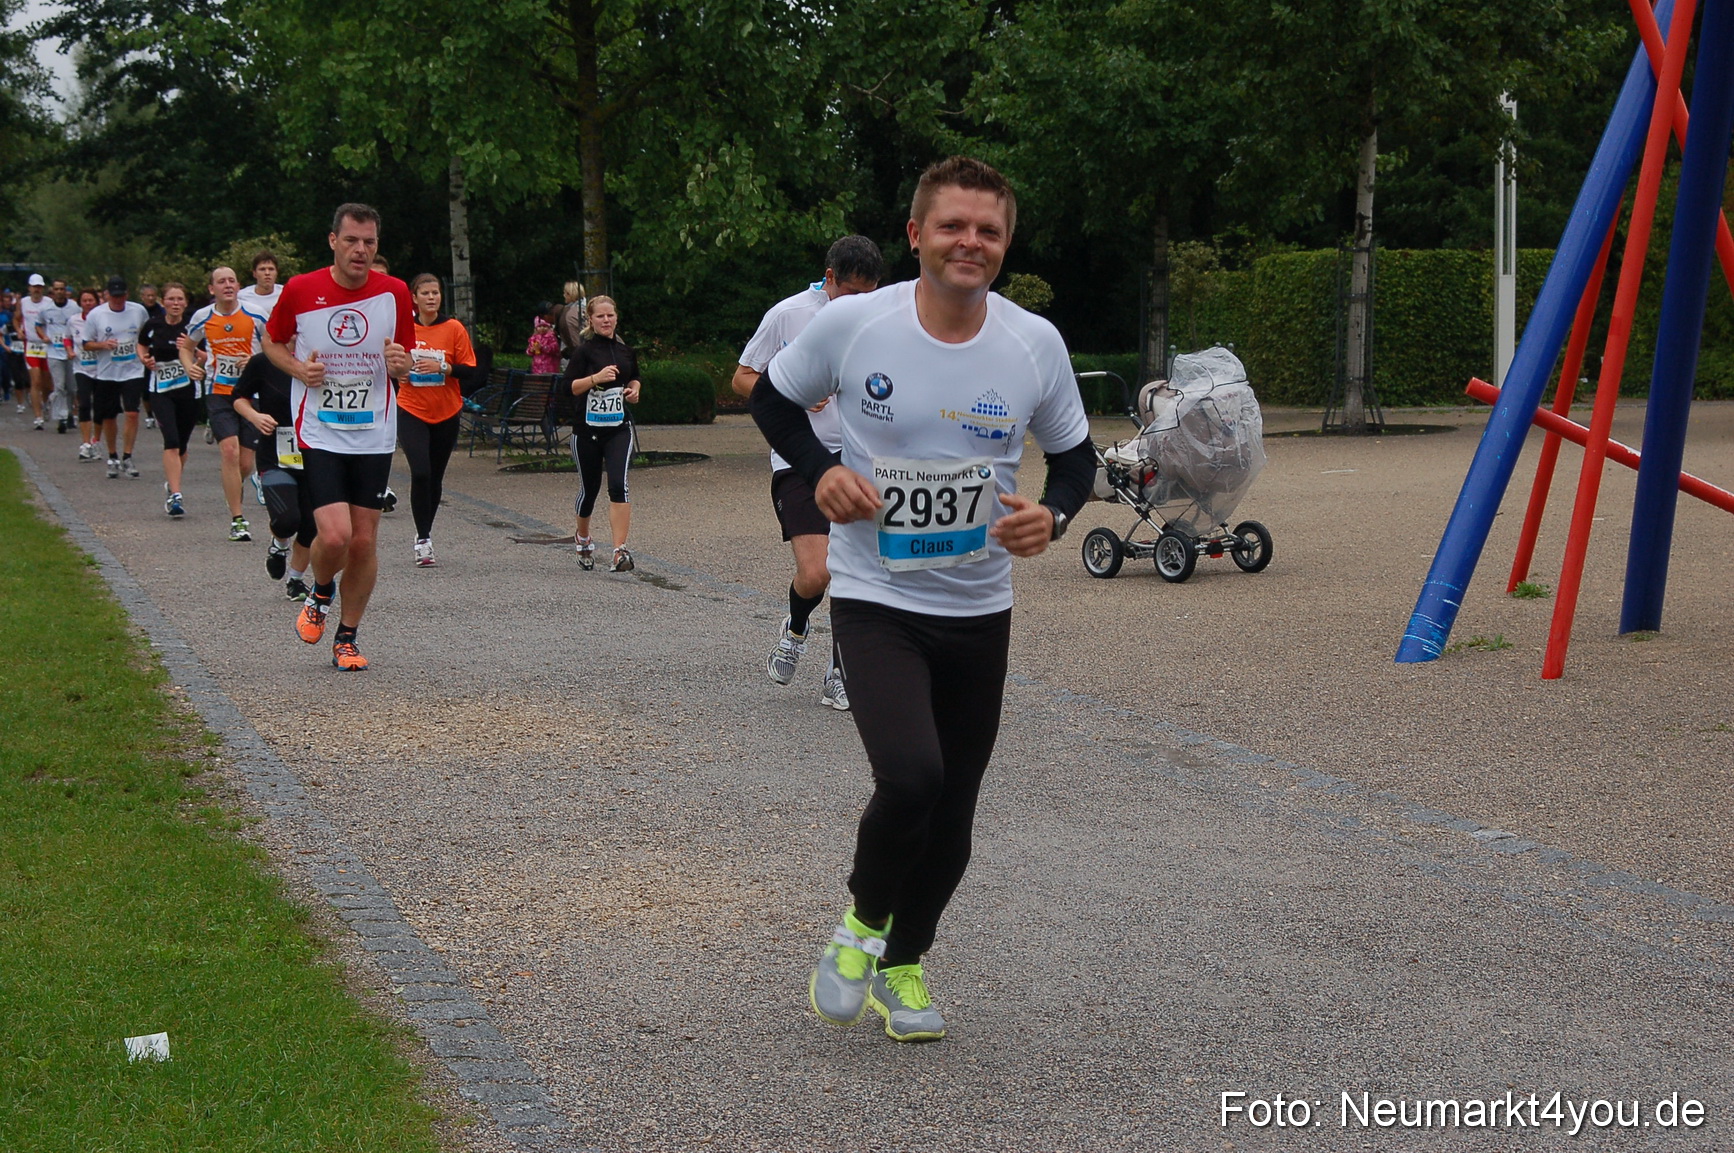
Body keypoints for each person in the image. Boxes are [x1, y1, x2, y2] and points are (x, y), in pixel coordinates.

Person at [751, 157, 1095, 1042]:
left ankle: (904, 965)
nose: (969, 242)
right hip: (876, 592)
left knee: (956, 806)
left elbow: (1075, 458)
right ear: (917, 235)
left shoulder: (1033, 343)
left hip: (980, 604)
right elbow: (776, 403)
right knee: (913, 774)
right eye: (952, 225)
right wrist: (824, 472)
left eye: (987, 229)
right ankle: (860, 927)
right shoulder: (858, 324)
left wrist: (1051, 515)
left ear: (1005, 243)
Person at [732, 236, 884, 711]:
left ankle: (840, 672)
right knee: (816, 573)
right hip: (799, 460)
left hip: (860, 461)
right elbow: (741, 378)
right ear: (830, 278)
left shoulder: (884, 321)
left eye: (870, 294)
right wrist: (791, 394)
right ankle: (796, 628)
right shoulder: (789, 315)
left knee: (853, 572)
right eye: (851, 294)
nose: (860, 304)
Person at [263, 202, 414, 672]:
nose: (361, 250)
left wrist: (401, 366)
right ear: (333, 241)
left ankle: (346, 637)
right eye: (351, 240)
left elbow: (404, 357)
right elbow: (272, 340)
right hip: (320, 429)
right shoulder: (302, 289)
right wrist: (296, 368)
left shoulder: (395, 292)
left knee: (364, 542)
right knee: (333, 535)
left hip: (374, 431)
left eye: (369, 242)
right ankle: (321, 589)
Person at [183, 266, 268, 541]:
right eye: (221, 282)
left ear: (238, 285)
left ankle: (233, 489)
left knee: (245, 463)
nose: (227, 285)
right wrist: (189, 366)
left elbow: (275, 347)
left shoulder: (255, 314)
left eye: (232, 281)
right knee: (229, 453)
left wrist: (255, 362)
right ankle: (238, 519)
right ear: (212, 289)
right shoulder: (202, 317)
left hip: (251, 394)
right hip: (218, 392)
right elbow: (186, 346)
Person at [402, 273, 480, 566]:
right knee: (420, 472)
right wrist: (397, 370)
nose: (432, 298)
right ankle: (423, 539)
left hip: (446, 410)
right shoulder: (404, 328)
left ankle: (426, 530)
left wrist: (443, 366)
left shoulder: (453, 328)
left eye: (435, 293)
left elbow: (471, 370)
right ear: (414, 297)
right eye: (425, 293)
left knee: (434, 477)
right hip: (411, 408)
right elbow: (390, 360)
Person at [559, 295, 641, 572]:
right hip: (587, 431)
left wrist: (634, 389)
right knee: (590, 490)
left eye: (610, 316)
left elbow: (635, 376)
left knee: (619, 485)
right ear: (591, 321)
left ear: (617, 317)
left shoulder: (626, 351)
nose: (606, 321)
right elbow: (568, 387)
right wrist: (595, 378)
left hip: (618, 428)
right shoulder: (583, 352)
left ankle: (619, 551)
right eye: (600, 317)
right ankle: (582, 537)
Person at [231, 351, 316, 595]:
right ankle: (279, 546)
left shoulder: (324, 359)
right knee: (287, 520)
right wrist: (255, 416)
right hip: (275, 455)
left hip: (316, 455)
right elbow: (239, 397)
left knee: (311, 525)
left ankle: (295, 580)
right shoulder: (264, 361)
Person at [137, 283, 197, 515]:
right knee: (170, 441)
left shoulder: (192, 327)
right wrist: (145, 359)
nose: (175, 303)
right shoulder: (153, 325)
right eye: (171, 299)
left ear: (185, 302)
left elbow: (205, 355)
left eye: (179, 299)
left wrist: (190, 351)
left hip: (188, 390)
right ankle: (176, 495)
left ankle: (172, 484)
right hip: (161, 390)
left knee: (182, 446)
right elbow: (141, 345)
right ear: (163, 302)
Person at [83, 276, 151, 477]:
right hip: (107, 372)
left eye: (121, 296)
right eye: (114, 297)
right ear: (107, 295)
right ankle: (112, 455)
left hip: (133, 370)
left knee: (132, 413)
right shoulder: (97, 315)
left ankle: (127, 456)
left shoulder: (138, 311)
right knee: (109, 416)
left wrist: (144, 353)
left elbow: (147, 334)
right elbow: (86, 343)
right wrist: (103, 345)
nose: (118, 300)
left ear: (127, 295)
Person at [41, 279, 81, 434]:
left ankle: (70, 413)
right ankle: (61, 418)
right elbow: (38, 324)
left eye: (62, 289)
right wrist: (43, 336)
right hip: (54, 352)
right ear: (52, 291)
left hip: (71, 352)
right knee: (59, 386)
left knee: (72, 388)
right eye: (56, 289)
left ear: (66, 291)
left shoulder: (73, 307)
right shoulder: (46, 309)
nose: (59, 292)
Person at [72, 288, 101, 458]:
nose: (88, 303)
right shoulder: (73, 320)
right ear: (80, 303)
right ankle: (85, 443)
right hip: (81, 368)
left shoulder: (102, 318)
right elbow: (68, 337)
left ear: (96, 302)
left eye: (91, 300)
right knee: (84, 403)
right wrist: (69, 349)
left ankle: (96, 441)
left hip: (101, 369)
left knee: (100, 408)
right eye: (85, 300)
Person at [18, 274, 50, 429]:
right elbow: (16, 318)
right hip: (31, 345)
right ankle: (38, 417)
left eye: (39, 287)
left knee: (47, 382)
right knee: (35, 380)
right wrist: (19, 330)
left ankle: (46, 402)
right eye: (34, 287)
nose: (36, 290)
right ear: (29, 288)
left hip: (47, 345)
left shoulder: (49, 303)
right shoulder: (23, 302)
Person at [246, 251, 283, 321]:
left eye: (271, 269)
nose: (267, 273)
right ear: (254, 273)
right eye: (262, 269)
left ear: (277, 272)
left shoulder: (285, 293)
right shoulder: (241, 297)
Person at [556, 280, 586, 362]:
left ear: (570, 294)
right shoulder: (585, 307)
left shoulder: (572, 312)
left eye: (565, 293)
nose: (564, 295)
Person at [527, 304, 561, 374]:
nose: (542, 328)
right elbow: (528, 351)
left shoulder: (551, 337)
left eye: (545, 326)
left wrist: (543, 347)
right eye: (540, 326)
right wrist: (531, 350)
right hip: (537, 367)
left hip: (550, 367)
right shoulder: (533, 338)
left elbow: (555, 349)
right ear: (536, 328)